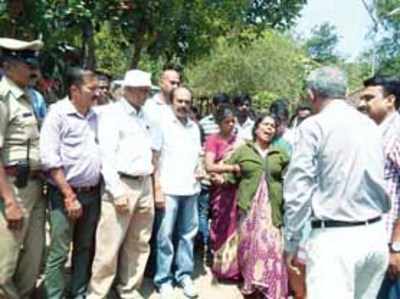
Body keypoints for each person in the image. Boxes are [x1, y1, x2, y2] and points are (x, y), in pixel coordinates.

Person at [284, 66, 390, 299]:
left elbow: (298, 188)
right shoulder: (371, 126)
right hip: (374, 235)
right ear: (345, 91)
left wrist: (291, 242)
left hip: (335, 241)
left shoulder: (314, 126)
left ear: (311, 94)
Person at [87, 70, 155, 299]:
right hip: (121, 183)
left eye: (146, 90)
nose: (145, 94)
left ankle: (129, 288)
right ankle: (97, 293)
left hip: (144, 182)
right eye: (141, 89)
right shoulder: (112, 115)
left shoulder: (145, 115)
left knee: (139, 242)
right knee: (109, 244)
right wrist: (116, 191)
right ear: (127, 90)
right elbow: (106, 156)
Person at [40, 67, 102, 299]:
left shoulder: (96, 115)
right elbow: (49, 158)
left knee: (85, 248)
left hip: (92, 194)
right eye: (92, 88)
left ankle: (78, 291)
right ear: (74, 90)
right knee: (59, 251)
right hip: (65, 195)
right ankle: (54, 295)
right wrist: (69, 196)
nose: (97, 93)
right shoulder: (57, 114)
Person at [222, 113, 289, 299]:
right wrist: (219, 177)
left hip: (272, 208)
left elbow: (290, 177)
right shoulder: (244, 151)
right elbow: (229, 173)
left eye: (273, 126)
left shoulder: (280, 154)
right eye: (266, 125)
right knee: (249, 245)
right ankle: (252, 285)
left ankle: (270, 286)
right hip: (249, 208)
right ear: (256, 128)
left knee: (272, 245)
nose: (269, 129)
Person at [0, 37, 46, 299]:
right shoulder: (3, 98)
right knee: (4, 264)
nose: (33, 68)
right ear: (7, 66)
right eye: (26, 62)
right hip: (13, 188)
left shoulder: (32, 97)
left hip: (36, 187)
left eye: (35, 62)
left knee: (33, 257)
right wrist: (9, 201)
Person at [153, 87, 202, 299]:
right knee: (164, 236)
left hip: (191, 189)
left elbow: (198, 155)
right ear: (172, 102)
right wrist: (157, 189)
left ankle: (184, 275)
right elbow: (154, 159)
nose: (183, 105)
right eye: (180, 101)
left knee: (188, 235)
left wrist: (200, 168)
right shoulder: (162, 124)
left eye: (187, 102)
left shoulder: (194, 128)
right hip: (169, 188)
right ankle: (163, 279)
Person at [360, 75, 400, 299]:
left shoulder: (396, 133)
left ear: (390, 100)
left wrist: (397, 246)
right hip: (371, 237)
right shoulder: (374, 132)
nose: (363, 103)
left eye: (369, 98)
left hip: (389, 244)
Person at [204, 104, 241, 281]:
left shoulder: (239, 141)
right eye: (227, 121)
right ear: (219, 123)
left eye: (234, 121)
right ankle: (219, 265)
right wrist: (231, 167)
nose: (232, 124)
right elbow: (209, 165)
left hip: (235, 190)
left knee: (235, 226)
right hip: (220, 190)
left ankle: (232, 268)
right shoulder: (213, 140)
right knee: (220, 225)